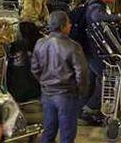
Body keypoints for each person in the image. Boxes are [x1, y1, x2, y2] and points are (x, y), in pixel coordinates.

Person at [31, 11, 88, 143]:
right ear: (63, 27)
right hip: (67, 95)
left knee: (49, 131)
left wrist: (44, 82)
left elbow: (35, 68)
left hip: (47, 94)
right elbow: (82, 73)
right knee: (67, 134)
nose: (70, 26)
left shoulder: (40, 43)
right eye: (69, 23)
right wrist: (80, 91)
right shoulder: (73, 46)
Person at [84, 0, 121, 117]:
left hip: (90, 51)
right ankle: (89, 109)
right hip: (93, 52)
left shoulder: (96, 4)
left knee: (95, 80)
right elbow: (96, 17)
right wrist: (117, 18)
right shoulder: (95, 7)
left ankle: (86, 108)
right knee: (105, 77)